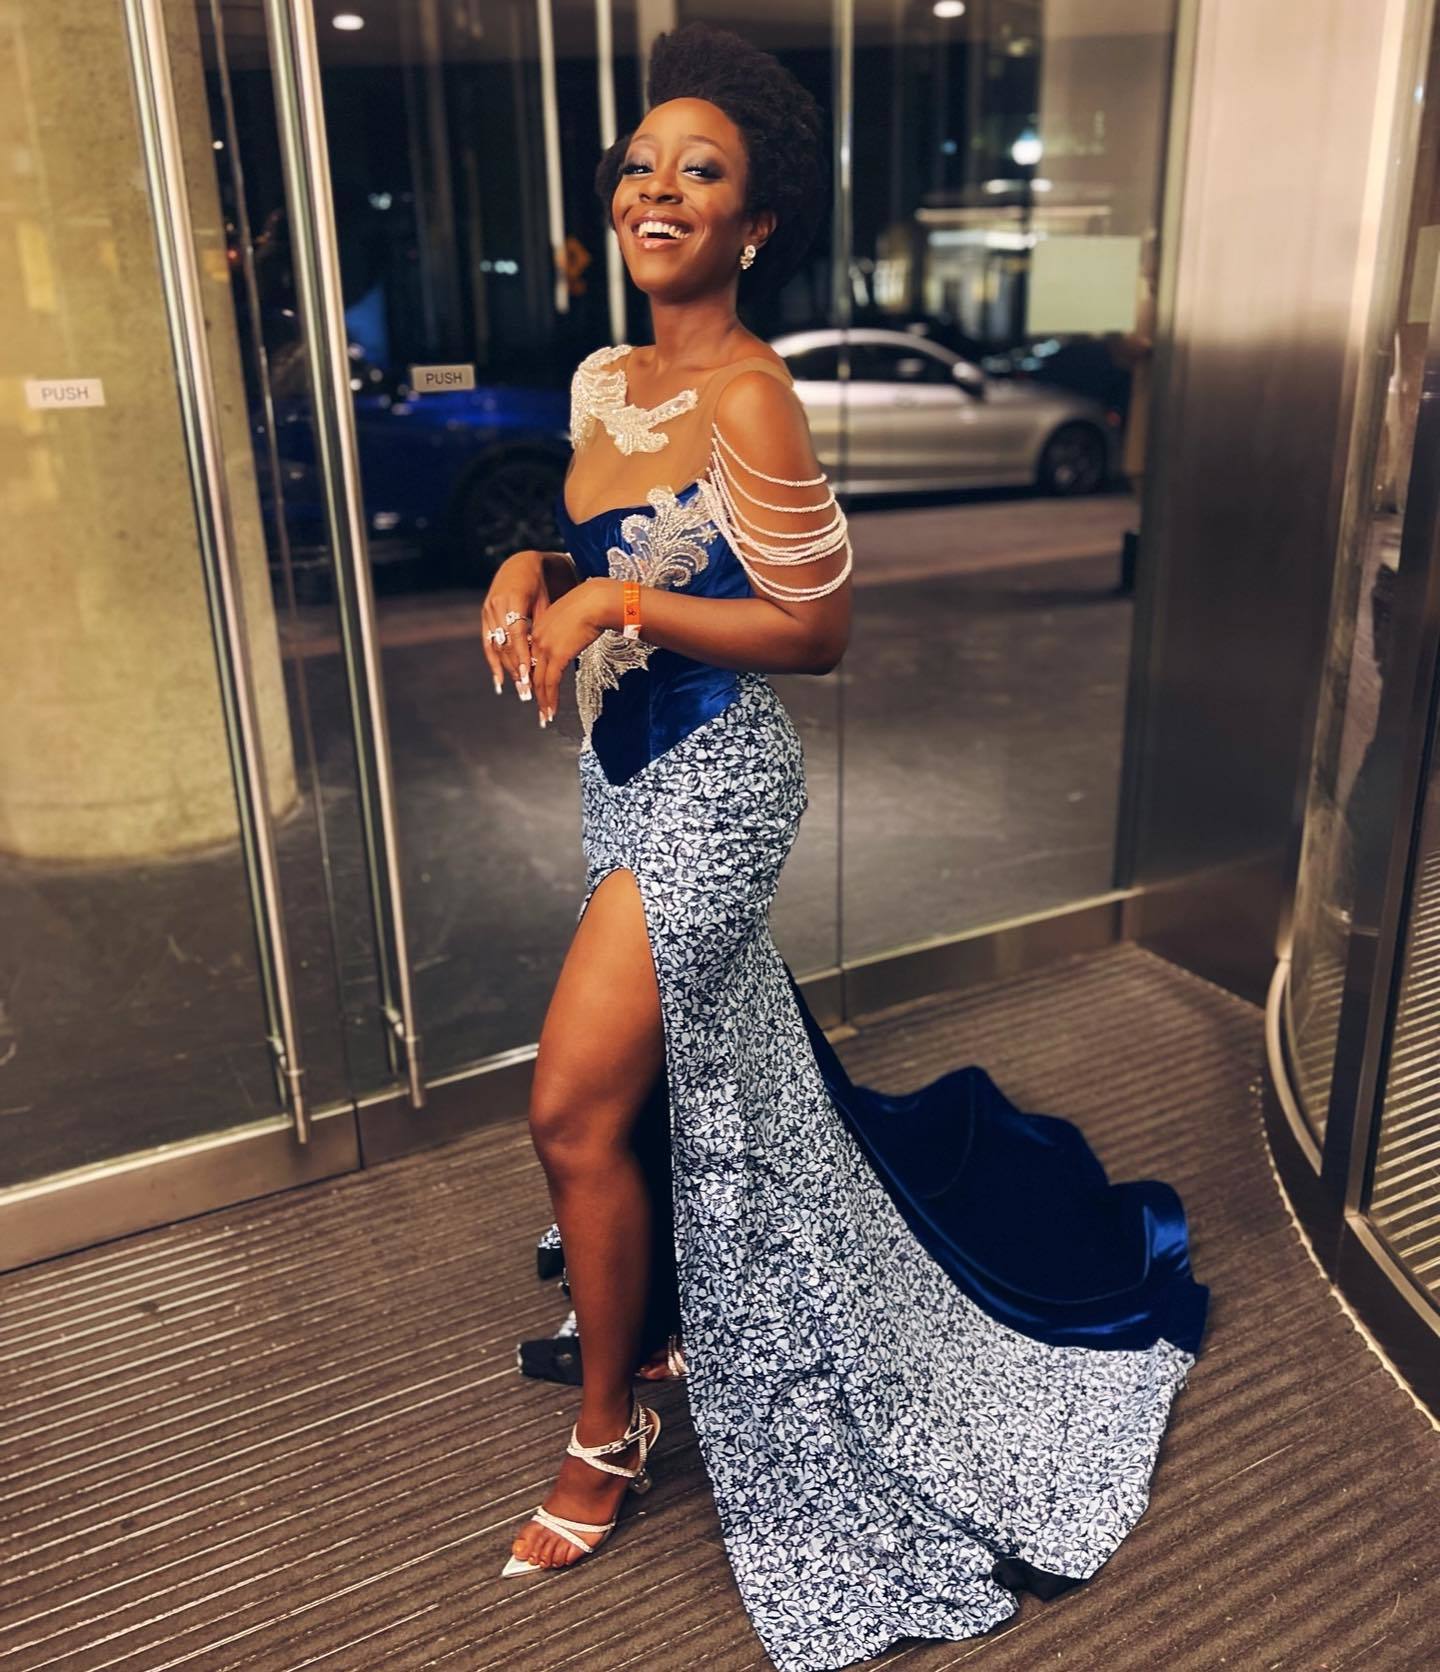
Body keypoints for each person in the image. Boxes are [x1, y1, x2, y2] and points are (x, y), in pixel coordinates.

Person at [481, 23, 1209, 1672]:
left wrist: (619, 598)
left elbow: (815, 632)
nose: (660, 189)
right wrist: (535, 573)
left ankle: (609, 1432)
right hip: (618, 772)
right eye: (642, 166)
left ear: (756, 225)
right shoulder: (607, 380)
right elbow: (596, 533)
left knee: (570, 1106)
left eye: (704, 173)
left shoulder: (753, 395)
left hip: (717, 780)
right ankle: (669, 1320)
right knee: (684, 1086)